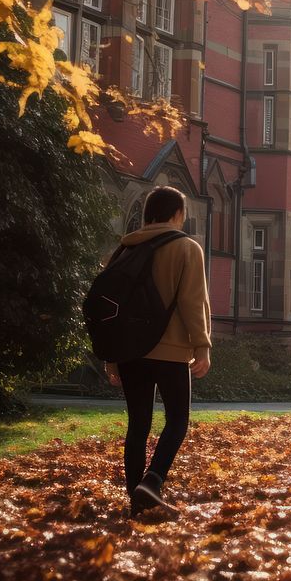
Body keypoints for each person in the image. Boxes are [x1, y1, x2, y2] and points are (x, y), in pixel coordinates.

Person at [104, 186, 212, 516]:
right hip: (172, 352)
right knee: (177, 420)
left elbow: (110, 306)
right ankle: (152, 481)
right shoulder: (186, 248)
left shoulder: (123, 250)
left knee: (138, 426)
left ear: (149, 213)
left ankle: (136, 500)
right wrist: (202, 344)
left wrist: (111, 354)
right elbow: (193, 302)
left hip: (130, 353)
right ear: (177, 214)